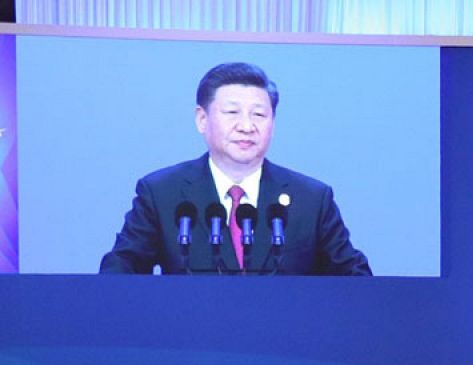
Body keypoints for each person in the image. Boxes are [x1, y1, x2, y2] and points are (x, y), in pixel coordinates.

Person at [100, 62, 371, 276]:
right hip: (190, 341)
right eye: (232, 113)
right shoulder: (162, 193)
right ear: (202, 119)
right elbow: (121, 272)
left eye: (259, 114)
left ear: (272, 125)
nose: (246, 126)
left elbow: (355, 281)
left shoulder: (311, 199)